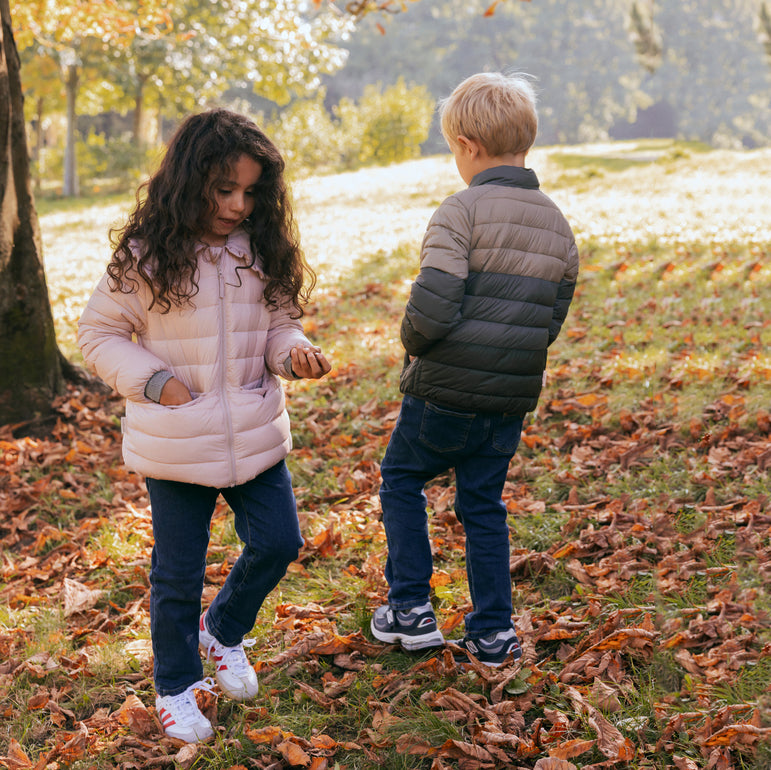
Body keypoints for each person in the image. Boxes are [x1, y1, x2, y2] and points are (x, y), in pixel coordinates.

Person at [78, 109, 331, 742]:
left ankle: (222, 630)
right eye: (224, 190)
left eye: (251, 191)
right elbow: (99, 333)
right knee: (178, 572)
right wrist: (154, 380)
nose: (239, 205)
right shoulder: (147, 255)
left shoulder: (261, 248)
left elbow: (279, 326)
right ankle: (176, 684)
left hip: (254, 427)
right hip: (176, 439)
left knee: (279, 542)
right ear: (190, 181)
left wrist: (291, 353)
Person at [370, 73, 579, 667]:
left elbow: (434, 302)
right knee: (483, 506)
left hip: (442, 392)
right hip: (507, 402)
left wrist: (411, 342)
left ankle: (410, 606)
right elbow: (551, 318)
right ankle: (493, 632)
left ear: (466, 144)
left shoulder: (459, 212)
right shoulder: (556, 223)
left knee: (402, 480)